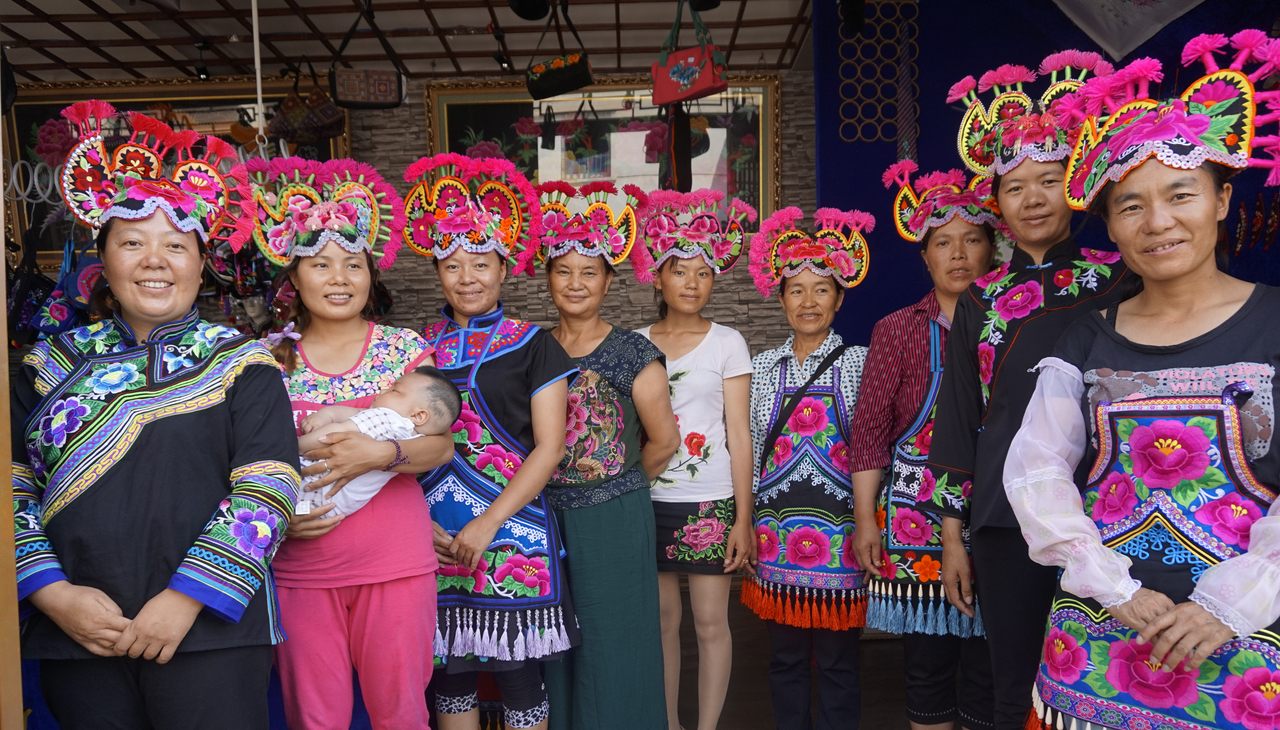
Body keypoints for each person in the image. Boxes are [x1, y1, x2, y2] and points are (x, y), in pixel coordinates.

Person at [1006, 37, 1280, 730]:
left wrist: (1234, 602)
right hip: (1099, 639)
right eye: (1130, 206)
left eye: (1181, 194)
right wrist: (1109, 585)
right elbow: (1036, 471)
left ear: (1221, 200)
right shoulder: (1084, 338)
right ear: (1110, 227)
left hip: (1247, 649)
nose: (1157, 222)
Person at [14, 102, 298, 728]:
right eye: (133, 242)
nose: (154, 259)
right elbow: (12, 486)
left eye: (175, 245)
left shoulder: (242, 364)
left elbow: (268, 489)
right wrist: (52, 594)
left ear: (201, 262)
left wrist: (184, 599)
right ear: (103, 259)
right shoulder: (45, 365)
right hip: (81, 633)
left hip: (210, 630)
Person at [923, 51, 1133, 729]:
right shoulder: (982, 296)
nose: (1034, 198)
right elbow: (960, 414)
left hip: (1110, 510)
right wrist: (952, 534)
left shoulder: (1119, 279)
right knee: (1014, 677)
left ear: (1075, 186)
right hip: (1004, 518)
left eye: (1049, 181)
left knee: (1108, 676)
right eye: (1016, 187)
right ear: (997, 203)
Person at [242, 157, 454, 729]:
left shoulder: (403, 350)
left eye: (353, 265)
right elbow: (241, 462)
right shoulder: (263, 359)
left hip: (395, 562)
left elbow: (441, 448)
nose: (339, 278)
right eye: (320, 263)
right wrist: (280, 515)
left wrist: (381, 453)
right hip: (299, 565)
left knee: (401, 715)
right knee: (316, 718)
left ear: (371, 275)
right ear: (293, 277)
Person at [403, 153, 578, 730]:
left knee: (518, 675)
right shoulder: (413, 349)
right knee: (447, 673)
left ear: (505, 268)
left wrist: (489, 524)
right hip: (429, 531)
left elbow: (549, 448)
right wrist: (414, 525)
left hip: (513, 529)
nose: (467, 277)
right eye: (452, 265)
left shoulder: (535, 345)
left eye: (480, 263)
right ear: (437, 274)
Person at [851, 162, 998, 730]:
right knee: (927, 664)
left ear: (992, 249)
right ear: (925, 257)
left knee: (991, 667)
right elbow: (870, 430)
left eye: (971, 240)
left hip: (995, 510)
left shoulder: (1014, 319)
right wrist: (867, 519)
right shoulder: (897, 328)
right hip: (915, 516)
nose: (958, 254)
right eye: (943, 243)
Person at [526, 181, 678, 730]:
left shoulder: (634, 353)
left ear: (609, 280)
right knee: (554, 645)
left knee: (616, 641)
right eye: (563, 270)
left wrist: (613, 485)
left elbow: (663, 442)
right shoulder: (532, 348)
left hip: (612, 519)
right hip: (543, 520)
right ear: (547, 278)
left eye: (589, 272)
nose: (575, 283)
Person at [630, 188, 758, 730]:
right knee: (660, 622)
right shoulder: (633, 343)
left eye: (703, 272)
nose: (691, 282)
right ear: (656, 277)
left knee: (710, 622)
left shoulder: (729, 342)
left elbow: (738, 433)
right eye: (679, 270)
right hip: (648, 498)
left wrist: (743, 520)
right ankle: (668, 724)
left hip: (710, 500)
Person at [743, 206, 873, 730]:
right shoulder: (759, 368)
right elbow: (751, 453)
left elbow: (873, 450)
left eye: (822, 289)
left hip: (842, 538)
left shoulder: (862, 362)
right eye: (796, 290)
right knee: (786, 659)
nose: (809, 301)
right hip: (775, 537)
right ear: (780, 299)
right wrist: (745, 522)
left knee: (840, 662)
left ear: (840, 298)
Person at [295, 366, 461, 517]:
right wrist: (326, 415)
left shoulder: (388, 419)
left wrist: (292, 446)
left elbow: (331, 435)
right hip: (330, 508)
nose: (382, 391)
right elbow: (357, 413)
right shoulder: (415, 437)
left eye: (394, 390)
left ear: (418, 416)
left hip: (310, 485)